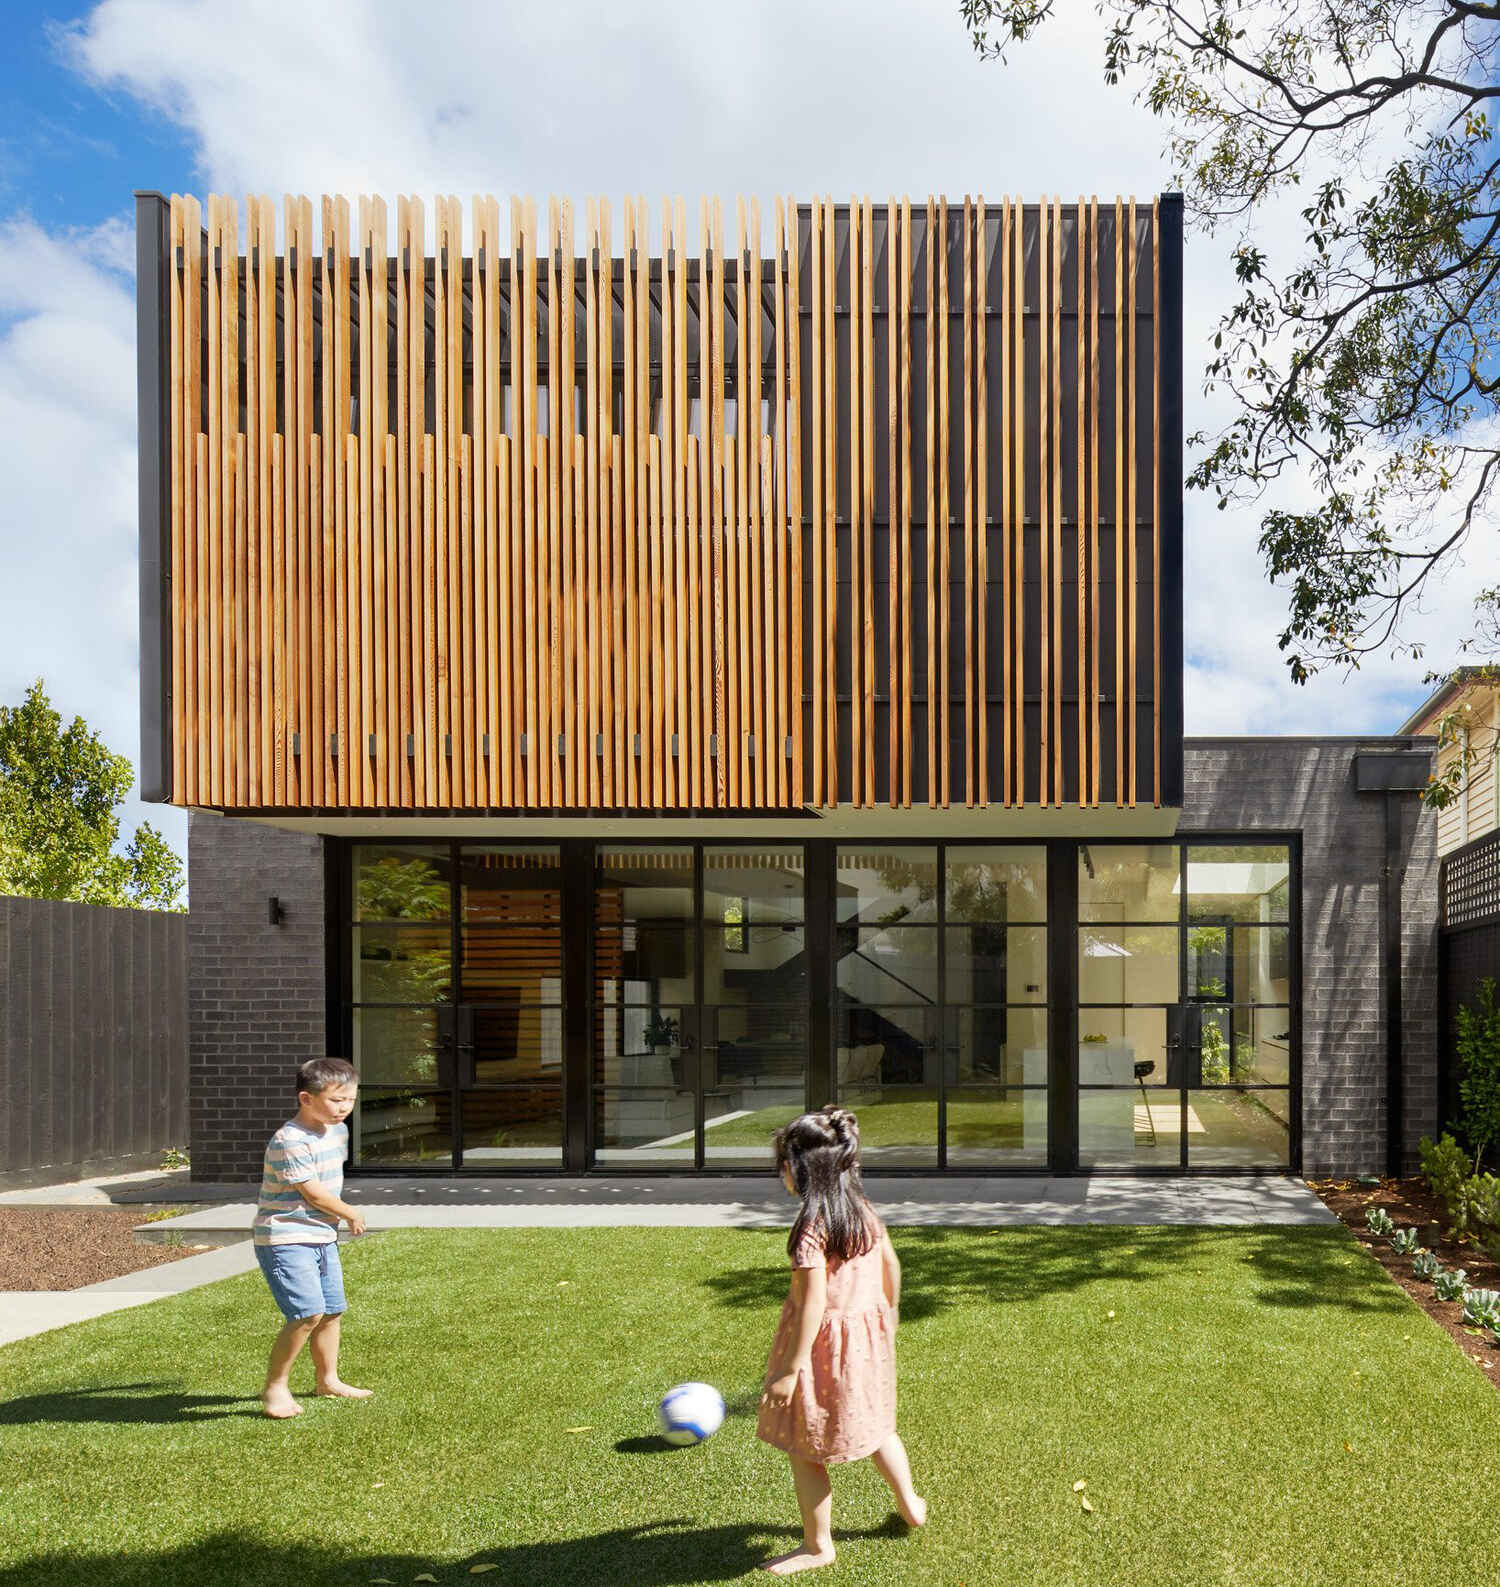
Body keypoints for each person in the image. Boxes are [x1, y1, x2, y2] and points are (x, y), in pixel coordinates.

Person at [756, 1107, 926, 1575]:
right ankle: (910, 1503)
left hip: (821, 1352)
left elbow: (812, 1304)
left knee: (805, 1448)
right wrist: (888, 1312)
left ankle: (818, 1546)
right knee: (878, 1429)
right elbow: (891, 1264)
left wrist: (789, 1370)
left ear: (798, 1171)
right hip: (867, 1343)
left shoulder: (810, 1231)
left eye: (782, 1165)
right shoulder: (864, 1213)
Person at [252, 1056, 372, 1419]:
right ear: (306, 1099)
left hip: (322, 1234)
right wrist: (350, 1212)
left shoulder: (337, 1132)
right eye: (337, 1100)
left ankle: (328, 1379)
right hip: (286, 1236)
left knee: (332, 1311)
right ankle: (275, 1387)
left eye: (350, 1100)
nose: (344, 1108)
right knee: (307, 1313)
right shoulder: (289, 1140)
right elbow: (314, 1193)